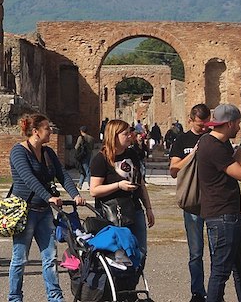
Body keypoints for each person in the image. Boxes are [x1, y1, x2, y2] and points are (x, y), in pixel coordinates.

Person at [8, 113, 84, 302]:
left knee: (50, 257)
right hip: (25, 211)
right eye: (47, 128)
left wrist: (75, 195)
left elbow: (62, 175)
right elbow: (28, 179)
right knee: (20, 259)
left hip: (44, 212)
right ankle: (14, 298)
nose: (50, 131)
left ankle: (55, 298)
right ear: (35, 131)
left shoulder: (48, 153)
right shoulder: (18, 152)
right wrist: (49, 196)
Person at [195, 103, 241, 302]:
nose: (240, 127)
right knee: (221, 272)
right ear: (230, 123)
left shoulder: (213, 142)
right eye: (238, 123)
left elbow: (229, 162)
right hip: (222, 217)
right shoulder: (212, 146)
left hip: (229, 215)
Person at [90, 119, 153, 283]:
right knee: (121, 254)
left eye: (130, 132)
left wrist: (149, 208)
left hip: (135, 210)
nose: (130, 136)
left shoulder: (132, 154)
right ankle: (120, 289)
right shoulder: (101, 159)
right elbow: (94, 190)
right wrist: (118, 185)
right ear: (114, 136)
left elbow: (141, 183)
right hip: (113, 213)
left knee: (140, 252)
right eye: (125, 133)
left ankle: (131, 288)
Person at [169, 103, 211, 302]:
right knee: (196, 252)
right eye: (200, 125)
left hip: (213, 202)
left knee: (218, 251)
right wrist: (192, 154)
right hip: (192, 202)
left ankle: (215, 291)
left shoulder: (214, 137)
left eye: (206, 125)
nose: (203, 129)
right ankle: (198, 292)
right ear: (191, 120)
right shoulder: (181, 140)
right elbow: (173, 170)